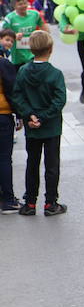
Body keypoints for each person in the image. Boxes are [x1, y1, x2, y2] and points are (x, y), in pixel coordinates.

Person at [11, 30, 67, 217]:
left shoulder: (23, 71)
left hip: (31, 126)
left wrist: (30, 116)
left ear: (31, 49)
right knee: (52, 165)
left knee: (32, 163)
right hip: (51, 127)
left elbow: (17, 96)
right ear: (50, 49)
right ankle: (50, 203)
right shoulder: (55, 74)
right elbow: (59, 101)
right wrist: (43, 117)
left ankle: (30, 203)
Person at [2, 0, 50, 69]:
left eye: (25, 3)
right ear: (14, 6)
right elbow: (3, 33)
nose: (23, 6)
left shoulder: (35, 14)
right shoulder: (9, 18)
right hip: (17, 55)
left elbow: (44, 27)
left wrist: (46, 38)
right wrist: (14, 36)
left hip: (33, 52)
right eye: (20, 4)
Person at [0, 29, 19, 214]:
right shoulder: (4, 64)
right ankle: (8, 199)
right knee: (4, 158)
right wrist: (20, 114)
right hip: (2, 116)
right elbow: (13, 92)